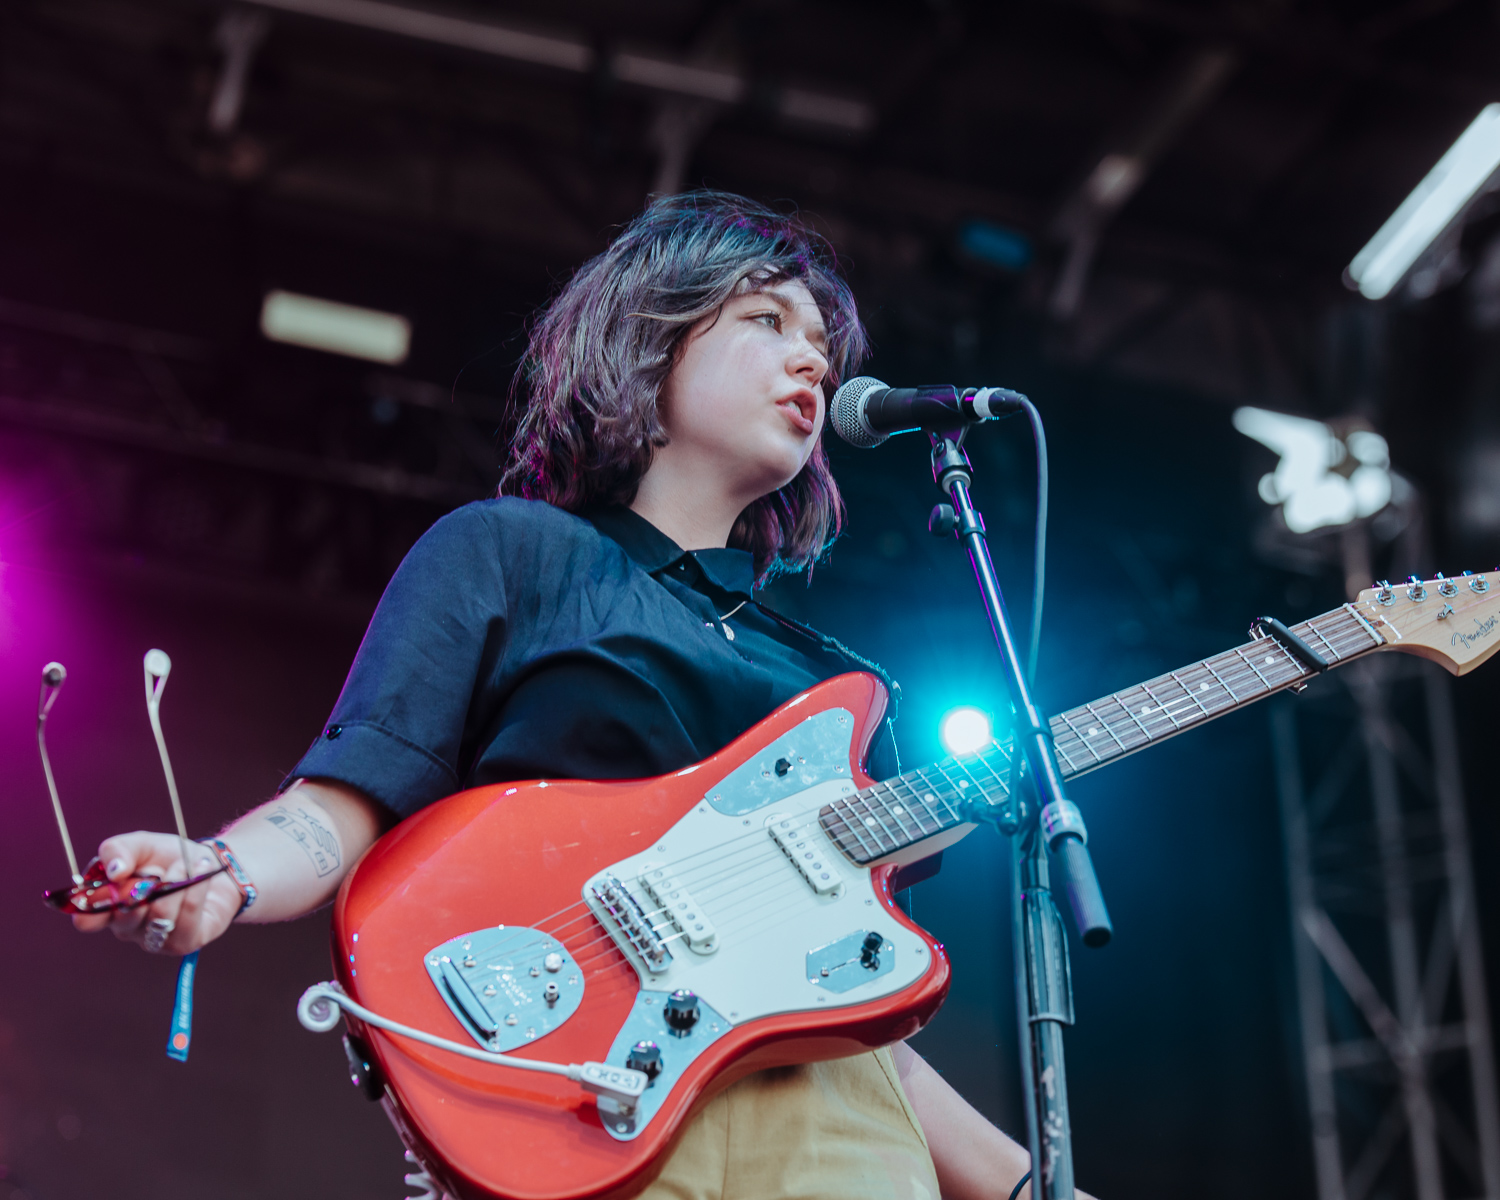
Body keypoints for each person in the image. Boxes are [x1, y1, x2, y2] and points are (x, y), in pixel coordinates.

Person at [75, 191, 1064, 1200]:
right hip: (593, 1099)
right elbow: (351, 795)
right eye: (767, 322)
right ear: (652, 342)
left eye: (821, 344)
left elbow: (844, 1010)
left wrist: (1027, 1184)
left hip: (835, 1132)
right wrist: (220, 873)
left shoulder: (834, 689)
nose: (812, 360)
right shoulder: (512, 555)